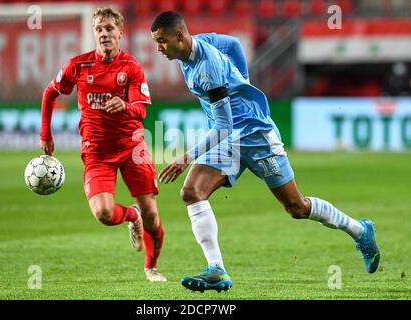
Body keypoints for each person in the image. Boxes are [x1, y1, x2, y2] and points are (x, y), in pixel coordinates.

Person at [150, 11, 380, 292]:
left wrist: (185, 158)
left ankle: (360, 230)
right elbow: (234, 44)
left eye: (161, 41)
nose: (158, 48)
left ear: (179, 36)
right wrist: (242, 81)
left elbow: (223, 125)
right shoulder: (197, 44)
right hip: (229, 140)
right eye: (156, 42)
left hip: (255, 134)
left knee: (296, 207)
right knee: (191, 192)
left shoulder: (206, 67)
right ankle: (217, 270)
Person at [40, 7, 166, 282]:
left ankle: (151, 268)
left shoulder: (131, 67)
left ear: (121, 32)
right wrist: (46, 134)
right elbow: (50, 93)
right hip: (96, 152)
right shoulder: (78, 65)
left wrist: (125, 106)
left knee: (153, 216)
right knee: (104, 213)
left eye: (109, 28)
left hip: (132, 148)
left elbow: (142, 112)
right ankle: (132, 216)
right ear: (93, 33)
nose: (104, 33)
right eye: (99, 29)